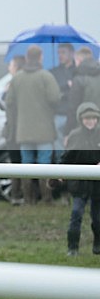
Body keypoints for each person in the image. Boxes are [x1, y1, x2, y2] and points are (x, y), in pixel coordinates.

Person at [4, 45, 61, 204]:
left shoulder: (17, 78)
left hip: (23, 130)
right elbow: (54, 98)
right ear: (40, 57)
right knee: (44, 164)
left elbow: (9, 102)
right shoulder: (46, 76)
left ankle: (28, 199)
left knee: (26, 165)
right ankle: (47, 198)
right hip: (44, 129)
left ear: (28, 58)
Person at [57, 102, 100, 257]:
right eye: (87, 118)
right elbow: (66, 158)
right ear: (81, 119)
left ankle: (98, 244)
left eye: (94, 118)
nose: (90, 121)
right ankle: (72, 247)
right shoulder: (75, 136)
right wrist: (59, 174)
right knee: (76, 214)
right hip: (79, 184)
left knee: (97, 218)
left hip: (97, 185)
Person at [1, 55, 26, 205]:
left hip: (15, 130)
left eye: (10, 65)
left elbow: (8, 103)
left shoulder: (15, 84)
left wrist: (5, 93)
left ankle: (17, 195)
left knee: (17, 163)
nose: (8, 68)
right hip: (17, 129)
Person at [64, 46, 100, 135]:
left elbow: (73, 108)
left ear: (79, 60)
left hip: (82, 127)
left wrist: (68, 132)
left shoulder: (78, 79)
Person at [50, 43, 76, 154]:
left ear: (72, 53)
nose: (60, 55)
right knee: (59, 146)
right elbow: (52, 90)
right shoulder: (53, 72)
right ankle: (61, 168)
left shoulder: (78, 70)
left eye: (63, 52)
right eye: (59, 53)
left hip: (74, 114)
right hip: (60, 113)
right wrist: (66, 86)